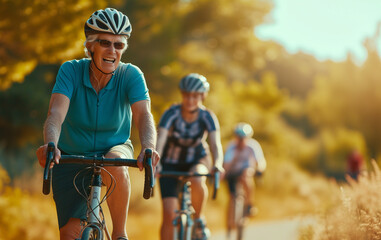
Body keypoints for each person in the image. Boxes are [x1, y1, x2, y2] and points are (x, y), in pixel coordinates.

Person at [35, 8, 160, 240]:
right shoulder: (70, 70)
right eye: (105, 42)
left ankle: (120, 233)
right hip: (72, 155)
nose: (112, 51)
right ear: (90, 45)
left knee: (115, 161)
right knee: (70, 236)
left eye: (119, 45)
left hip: (115, 148)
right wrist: (50, 144)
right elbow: (55, 113)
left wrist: (148, 147)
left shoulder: (131, 75)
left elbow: (144, 115)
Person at [156, 73, 224, 240]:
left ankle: (198, 218)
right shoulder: (171, 113)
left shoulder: (207, 116)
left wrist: (218, 164)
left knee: (197, 178)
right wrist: (155, 162)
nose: (190, 100)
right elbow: (160, 140)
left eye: (195, 96)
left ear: (202, 96)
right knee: (168, 214)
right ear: (182, 95)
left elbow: (215, 144)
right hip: (170, 162)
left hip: (197, 160)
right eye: (186, 95)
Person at [223, 122, 266, 232]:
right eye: (239, 138)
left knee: (246, 175)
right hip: (232, 173)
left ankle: (249, 205)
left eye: (243, 138)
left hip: (246, 171)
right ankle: (230, 221)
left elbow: (260, 160)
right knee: (232, 196)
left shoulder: (253, 145)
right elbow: (226, 164)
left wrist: (260, 169)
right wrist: (221, 176)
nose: (241, 140)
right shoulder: (231, 147)